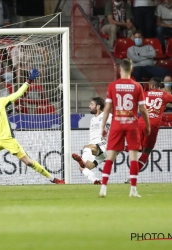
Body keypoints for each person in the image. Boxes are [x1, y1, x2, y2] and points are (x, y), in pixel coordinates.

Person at [0, 68, 65, 186]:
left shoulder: (1, 102)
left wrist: (28, 81)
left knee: (28, 162)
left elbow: (18, 94)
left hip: (8, 139)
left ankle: (53, 179)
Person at [99, 58, 150, 198]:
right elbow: (143, 109)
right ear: (132, 70)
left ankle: (103, 188)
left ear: (120, 69)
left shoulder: (112, 86)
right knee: (133, 157)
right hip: (132, 124)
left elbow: (108, 108)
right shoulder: (137, 86)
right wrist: (148, 125)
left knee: (110, 157)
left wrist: (103, 126)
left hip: (116, 123)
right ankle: (133, 189)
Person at [72, 97, 112, 185]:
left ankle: (82, 160)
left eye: (91, 104)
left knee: (87, 147)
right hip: (98, 151)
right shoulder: (92, 119)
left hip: (104, 145)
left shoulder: (107, 115)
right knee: (83, 168)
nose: (89, 106)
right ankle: (96, 180)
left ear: (98, 107)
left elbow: (117, 124)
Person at [137, 77, 172, 170]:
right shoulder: (165, 95)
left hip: (140, 122)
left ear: (151, 85)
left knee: (135, 147)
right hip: (153, 124)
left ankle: (116, 150)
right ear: (158, 85)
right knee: (146, 151)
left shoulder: (144, 94)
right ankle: (133, 173)